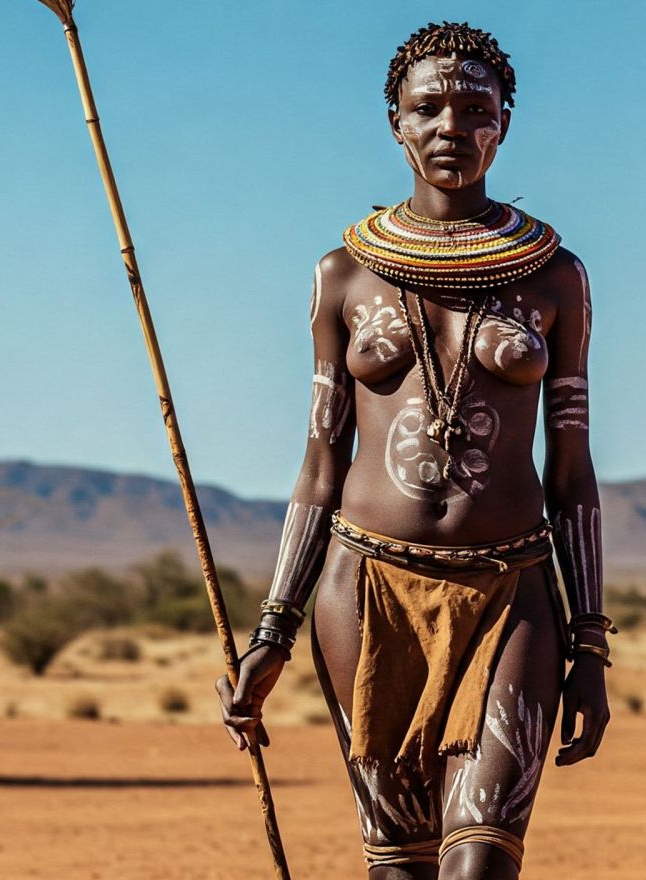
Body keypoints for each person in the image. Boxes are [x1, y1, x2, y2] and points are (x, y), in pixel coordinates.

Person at [216, 21, 611, 880]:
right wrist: (271, 632)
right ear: (394, 123)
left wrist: (590, 643)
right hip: (365, 592)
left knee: (482, 865)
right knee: (400, 868)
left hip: (512, 593)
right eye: (427, 108)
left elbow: (572, 471)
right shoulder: (344, 275)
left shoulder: (554, 276)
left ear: (504, 124)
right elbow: (321, 463)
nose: (451, 128)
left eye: (477, 109)